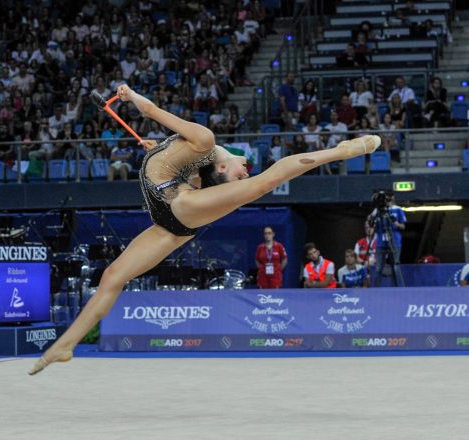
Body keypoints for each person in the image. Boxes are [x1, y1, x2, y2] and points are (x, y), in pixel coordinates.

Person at [29, 84, 380, 374]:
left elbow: (150, 110)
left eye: (241, 172)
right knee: (112, 277)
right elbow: (157, 125)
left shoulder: (205, 142)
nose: (246, 167)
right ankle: (66, 345)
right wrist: (156, 147)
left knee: (263, 183)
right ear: (222, 167)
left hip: (181, 207)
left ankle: (341, 150)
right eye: (243, 168)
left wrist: (131, 96)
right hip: (169, 224)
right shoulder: (201, 149)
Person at [368, 192, 406, 287]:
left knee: (396, 266)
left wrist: (395, 223)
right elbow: (370, 221)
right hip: (381, 242)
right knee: (378, 268)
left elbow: (403, 226)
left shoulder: (398, 209)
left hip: (394, 241)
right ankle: (376, 290)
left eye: (388, 197)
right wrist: (374, 213)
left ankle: (399, 288)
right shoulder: (377, 210)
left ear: (392, 198)